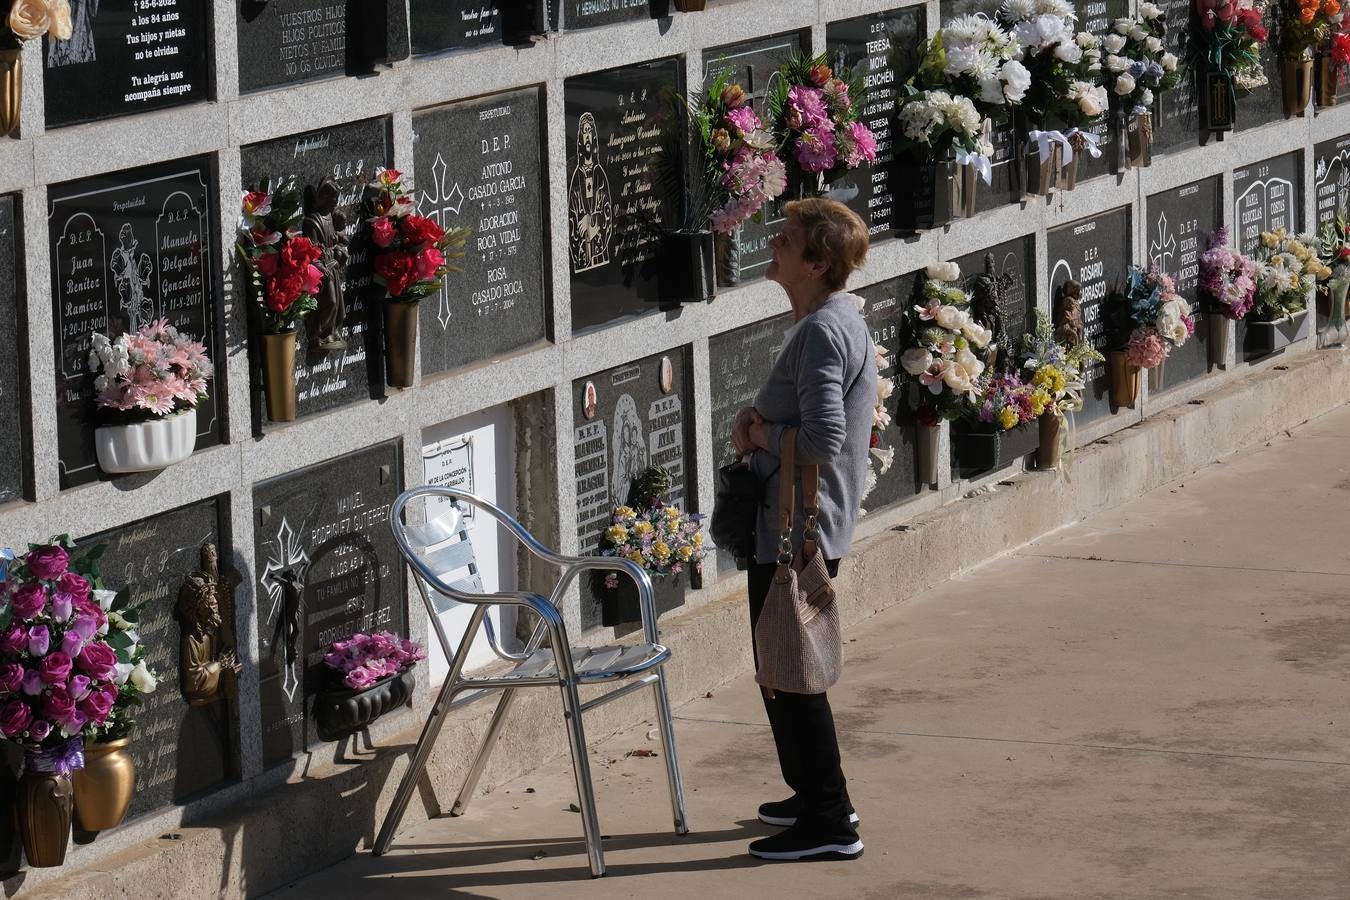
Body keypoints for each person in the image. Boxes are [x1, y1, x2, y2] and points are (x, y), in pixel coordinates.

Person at [730, 198, 875, 862]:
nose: (774, 246)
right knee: (781, 664)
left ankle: (830, 819)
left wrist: (764, 431)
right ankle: (813, 793)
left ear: (817, 263)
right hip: (799, 521)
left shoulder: (823, 330)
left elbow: (822, 436)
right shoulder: (833, 318)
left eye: (787, 241)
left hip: (794, 529)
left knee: (793, 671)